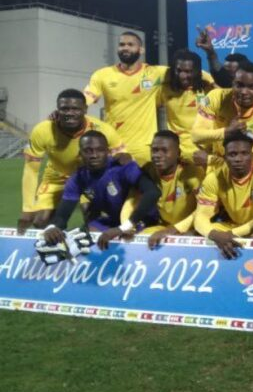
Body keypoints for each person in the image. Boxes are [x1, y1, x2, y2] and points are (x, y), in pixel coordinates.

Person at [19, 89, 125, 232]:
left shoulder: (103, 130)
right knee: (40, 221)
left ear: (85, 109)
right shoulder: (42, 130)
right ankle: (59, 243)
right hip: (56, 178)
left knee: (92, 220)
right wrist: (27, 208)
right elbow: (31, 170)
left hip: (89, 178)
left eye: (75, 109)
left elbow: (123, 160)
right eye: (64, 109)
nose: (69, 113)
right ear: (57, 109)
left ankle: (85, 239)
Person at [41, 130, 161, 251]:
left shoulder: (123, 167)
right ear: (80, 154)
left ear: (108, 152)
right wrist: (52, 227)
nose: (94, 155)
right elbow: (62, 216)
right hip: (115, 221)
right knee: (88, 233)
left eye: (100, 150)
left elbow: (153, 192)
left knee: (121, 237)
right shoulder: (77, 178)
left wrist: (124, 227)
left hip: (142, 220)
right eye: (88, 151)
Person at [83, 31, 167, 164]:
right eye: (122, 44)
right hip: (115, 147)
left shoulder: (155, 73)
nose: (125, 48)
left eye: (130, 44)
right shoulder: (102, 75)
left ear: (141, 50)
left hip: (145, 148)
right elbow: (84, 101)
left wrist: (201, 49)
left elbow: (190, 71)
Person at [194, 132, 253, 258]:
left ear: (252, 156)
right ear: (225, 157)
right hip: (232, 227)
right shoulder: (214, 178)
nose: (238, 159)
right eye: (232, 154)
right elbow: (200, 216)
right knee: (197, 234)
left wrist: (232, 234)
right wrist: (215, 235)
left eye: (244, 153)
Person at [191, 61, 253, 168]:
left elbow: (250, 165)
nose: (244, 92)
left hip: (245, 174)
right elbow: (196, 136)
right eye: (239, 85)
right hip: (215, 165)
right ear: (233, 84)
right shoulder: (215, 97)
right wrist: (227, 132)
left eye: (251, 87)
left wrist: (210, 160)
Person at [141, 130, 206, 248]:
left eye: (164, 150)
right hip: (164, 226)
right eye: (154, 150)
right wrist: (126, 226)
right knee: (141, 240)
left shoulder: (192, 173)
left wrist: (173, 230)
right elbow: (131, 201)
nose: (157, 155)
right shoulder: (148, 170)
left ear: (178, 153)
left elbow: (204, 210)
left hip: (192, 227)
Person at [159, 49, 215, 162]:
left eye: (188, 71)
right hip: (178, 153)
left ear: (197, 71)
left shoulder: (208, 86)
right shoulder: (164, 89)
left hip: (205, 152)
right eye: (179, 70)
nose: (182, 75)